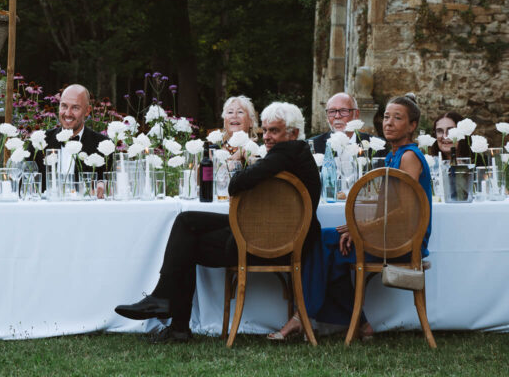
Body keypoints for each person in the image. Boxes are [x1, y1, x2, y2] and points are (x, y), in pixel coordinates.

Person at [114, 102, 321, 343]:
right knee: (187, 221)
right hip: (281, 239)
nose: (267, 137)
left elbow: (236, 184)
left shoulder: (285, 154)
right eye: (264, 131)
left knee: (186, 236)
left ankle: (171, 313)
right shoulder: (299, 154)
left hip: (270, 245)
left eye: (273, 131)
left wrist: (249, 167)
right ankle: (168, 310)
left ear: (293, 133)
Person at [270, 94, 432, 340]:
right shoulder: (392, 155)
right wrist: (358, 228)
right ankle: (359, 324)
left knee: (319, 241)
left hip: (403, 240)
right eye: (386, 117)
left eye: (397, 118)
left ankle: (301, 316)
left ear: (412, 126)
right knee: (330, 249)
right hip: (387, 234)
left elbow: (406, 210)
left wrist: (361, 229)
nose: (388, 123)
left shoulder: (409, 156)